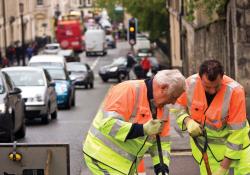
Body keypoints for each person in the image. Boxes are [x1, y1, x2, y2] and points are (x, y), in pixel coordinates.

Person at [82, 69, 186, 175]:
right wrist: (143, 129)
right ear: (163, 88)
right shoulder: (127, 90)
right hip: (101, 158)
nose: (173, 102)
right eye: (173, 97)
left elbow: (162, 143)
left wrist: (162, 168)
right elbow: (107, 124)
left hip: (126, 166)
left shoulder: (163, 109)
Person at [172, 59, 250, 175]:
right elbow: (178, 109)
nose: (212, 91)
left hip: (238, 146)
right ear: (200, 78)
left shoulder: (235, 91)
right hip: (206, 149)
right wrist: (187, 121)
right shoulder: (189, 85)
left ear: (222, 78)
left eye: (216, 86)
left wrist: (223, 168)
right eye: (207, 87)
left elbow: (237, 134)